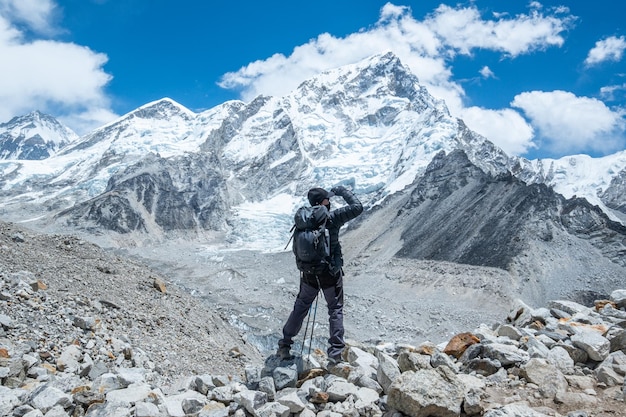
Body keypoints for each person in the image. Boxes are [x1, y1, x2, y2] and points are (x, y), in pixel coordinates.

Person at [277, 185, 363, 364]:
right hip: (329, 273)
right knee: (335, 308)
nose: (330, 202)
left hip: (308, 274)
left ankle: (284, 345)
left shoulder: (302, 220)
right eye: (328, 199)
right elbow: (357, 207)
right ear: (322, 202)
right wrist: (342, 191)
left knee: (300, 308)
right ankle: (336, 353)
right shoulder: (332, 218)